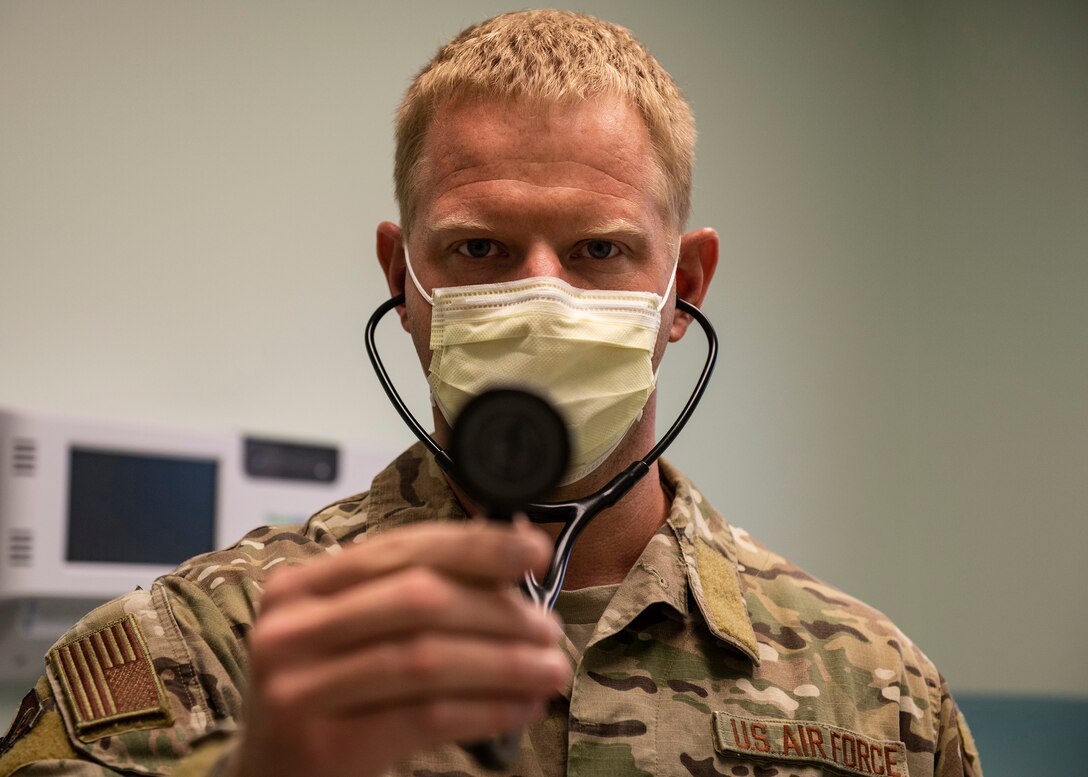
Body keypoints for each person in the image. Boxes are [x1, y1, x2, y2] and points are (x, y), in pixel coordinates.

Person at [0, 10, 982, 777]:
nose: (541, 298)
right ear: (402, 277)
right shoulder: (191, 655)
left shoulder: (880, 695)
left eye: (599, 250)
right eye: (480, 249)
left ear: (683, 285)